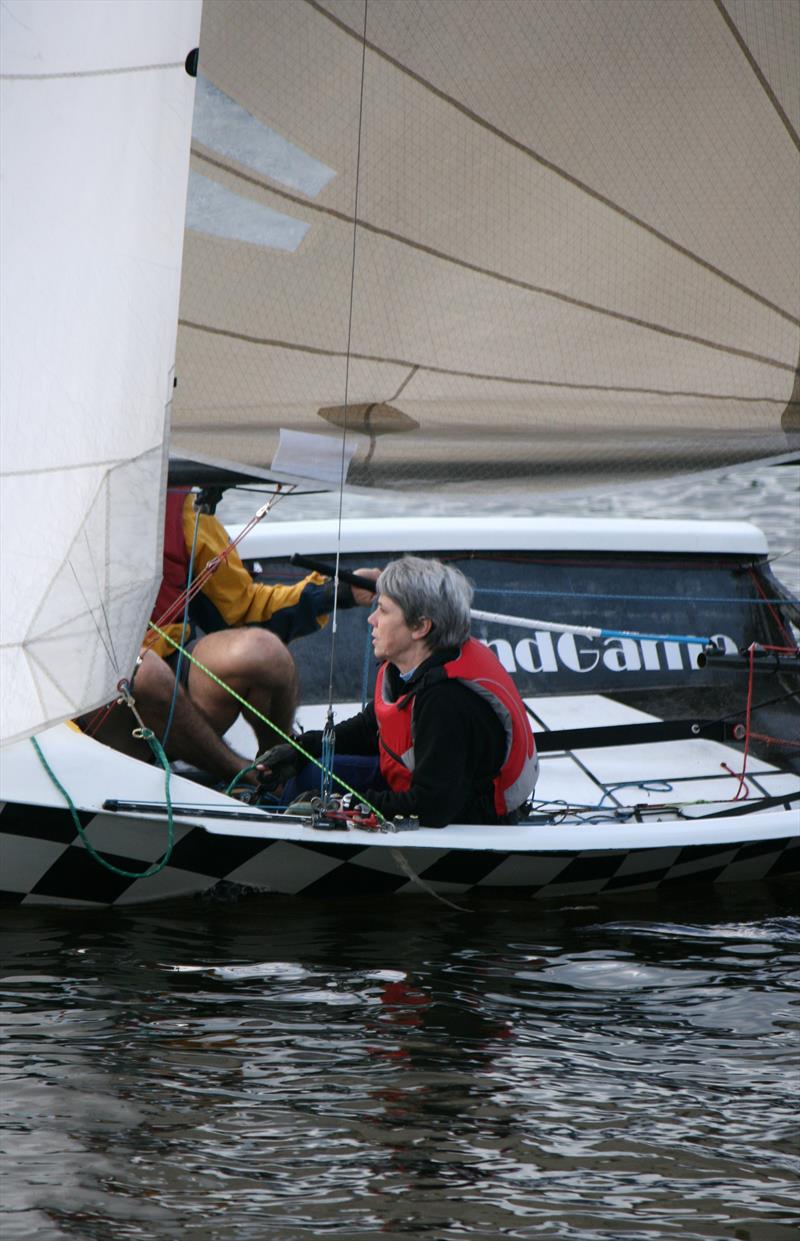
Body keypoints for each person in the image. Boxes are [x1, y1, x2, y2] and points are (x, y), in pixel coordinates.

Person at [83, 486, 378, 784]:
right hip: (80, 699)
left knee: (263, 652)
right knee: (145, 671)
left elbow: (241, 606)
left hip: (172, 684)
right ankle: (241, 774)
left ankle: (275, 772)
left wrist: (335, 593)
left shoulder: (185, 510)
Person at [264, 555, 538, 827]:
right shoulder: (406, 669)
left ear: (420, 626)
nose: (372, 619)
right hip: (423, 787)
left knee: (312, 785)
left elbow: (432, 807)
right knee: (311, 772)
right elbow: (370, 728)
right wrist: (303, 749)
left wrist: (342, 803)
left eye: (382, 610)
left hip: (462, 822)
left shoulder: (446, 701)